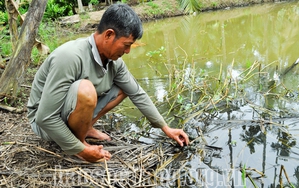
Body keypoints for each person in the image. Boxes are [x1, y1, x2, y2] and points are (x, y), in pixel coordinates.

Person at [27, 3, 189, 162]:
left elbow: (137, 93)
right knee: (85, 89)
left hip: (65, 112)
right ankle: (79, 141)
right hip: (46, 124)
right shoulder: (70, 56)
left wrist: (166, 128)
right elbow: (45, 118)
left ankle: (86, 127)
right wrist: (81, 150)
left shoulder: (114, 62)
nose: (127, 51)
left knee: (125, 87)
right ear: (109, 35)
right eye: (126, 45)